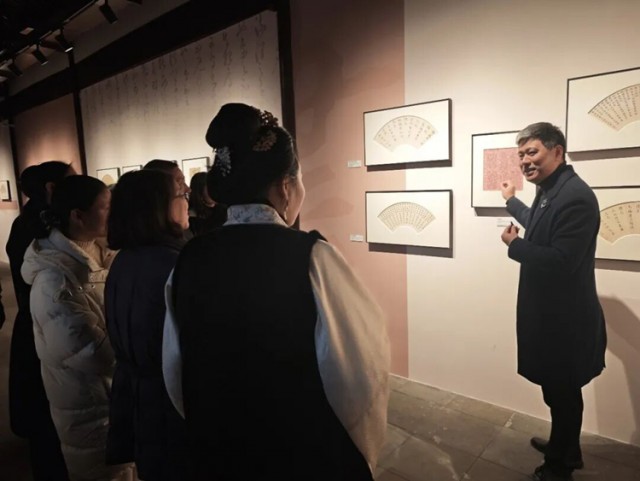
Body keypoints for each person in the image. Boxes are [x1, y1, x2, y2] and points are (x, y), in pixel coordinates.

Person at [162, 103, 390, 480]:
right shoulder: (312, 256)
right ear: (285, 186)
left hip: (219, 446)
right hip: (298, 449)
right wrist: (363, 455)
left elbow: (174, 367)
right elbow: (358, 371)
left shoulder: (190, 258)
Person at [500, 122, 607, 481]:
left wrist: (515, 245)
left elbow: (562, 260)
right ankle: (566, 447)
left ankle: (559, 467)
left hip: (565, 320)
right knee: (559, 393)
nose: (525, 161)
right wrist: (511, 200)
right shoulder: (553, 190)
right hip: (552, 316)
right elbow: (538, 221)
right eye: (521, 155)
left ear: (557, 151)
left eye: (532, 152)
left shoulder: (575, 196)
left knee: (563, 394)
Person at [20, 175, 134, 481]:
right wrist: (139, 337)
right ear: (78, 216)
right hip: (90, 410)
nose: (113, 213)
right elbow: (91, 353)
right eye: (106, 207)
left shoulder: (102, 255)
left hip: (113, 402)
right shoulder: (54, 280)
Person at [104, 170, 189, 480]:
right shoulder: (174, 264)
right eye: (180, 195)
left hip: (140, 398)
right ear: (158, 208)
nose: (187, 202)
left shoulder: (124, 260)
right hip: (171, 402)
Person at [5, 161, 72, 481]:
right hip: (41, 328)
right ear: (51, 189)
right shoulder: (40, 228)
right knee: (47, 413)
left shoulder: (27, 222)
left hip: (33, 326)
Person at [187, 171, 227, 236]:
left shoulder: (223, 209)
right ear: (199, 191)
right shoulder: (191, 217)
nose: (214, 191)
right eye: (210, 188)